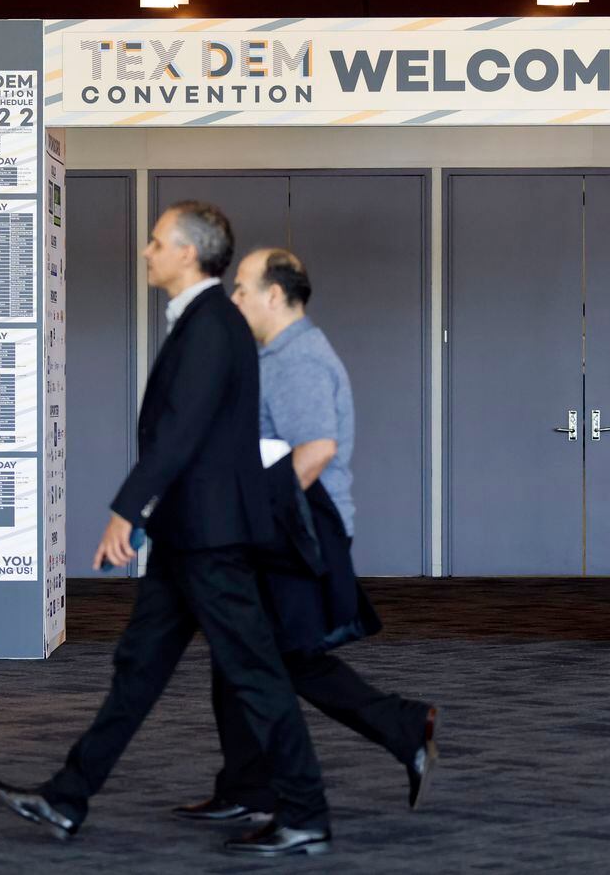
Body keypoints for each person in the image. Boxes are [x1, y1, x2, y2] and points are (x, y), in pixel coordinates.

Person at [0, 202, 332, 857]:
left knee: (255, 674)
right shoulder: (201, 322)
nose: (145, 251)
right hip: (187, 535)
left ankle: (307, 812)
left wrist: (127, 508)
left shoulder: (211, 325)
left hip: (212, 537)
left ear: (186, 254)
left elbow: (181, 431)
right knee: (138, 669)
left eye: (155, 242)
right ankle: (68, 796)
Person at [169, 248, 440, 824]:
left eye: (242, 287)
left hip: (292, 534)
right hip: (278, 529)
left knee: (284, 659)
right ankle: (247, 786)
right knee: (239, 655)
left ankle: (401, 727)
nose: (233, 298)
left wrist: (241, 513)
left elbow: (314, 452)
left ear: (274, 294)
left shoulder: (298, 360)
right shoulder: (277, 355)